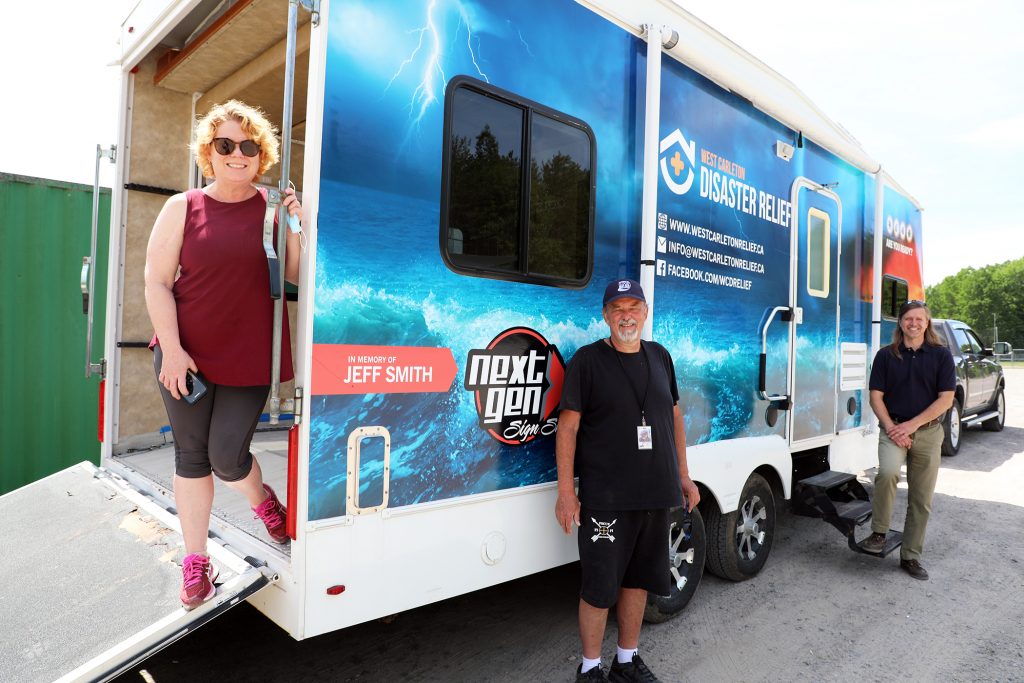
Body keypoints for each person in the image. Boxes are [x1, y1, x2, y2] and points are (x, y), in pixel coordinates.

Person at [144, 100, 303, 609]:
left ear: (262, 154)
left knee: (227, 458)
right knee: (191, 458)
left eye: (249, 145)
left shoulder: (274, 209)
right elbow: (155, 282)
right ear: (209, 152)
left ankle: (264, 502)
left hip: (250, 357)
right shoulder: (183, 206)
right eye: (226, 145)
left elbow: (301, 275)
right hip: (183, 356)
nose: (238, 154)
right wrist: (171, 349)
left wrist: (299, 223)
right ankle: (196, 561)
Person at [555, 279, 700, 682]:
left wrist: (684, 477)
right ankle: (589, 669)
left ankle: (625, 660)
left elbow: (673, 418)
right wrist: (567, 492)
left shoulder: (660, 356)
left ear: (646, 313)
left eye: (634, 306)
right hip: (606, 497)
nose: (626, 315)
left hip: (656, 493)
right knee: (600, 586)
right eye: (618, 308)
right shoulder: (587, 361)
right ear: (605, 315)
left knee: (639, 581)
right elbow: (567, 428)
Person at [860, 300, 955, 580]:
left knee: (921, 497)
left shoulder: (941, 355)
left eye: (919, 319)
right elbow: (875, 396)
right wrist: (892, 428)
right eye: (908, 319)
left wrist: (912, 426)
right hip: (893, 430)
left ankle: (910, 556)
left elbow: (946, 400)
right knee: (887, 472)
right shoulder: (886, 356)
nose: (913, 323)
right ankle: (879, 533)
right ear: (900, 323)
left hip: (928, 433)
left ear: (927, 323)